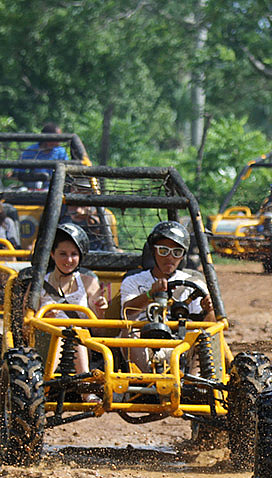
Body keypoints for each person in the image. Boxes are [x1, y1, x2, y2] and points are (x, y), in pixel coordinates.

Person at [119, 221, 214, 370]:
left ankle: (196, 387)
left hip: (183, 344)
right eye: (163, 251)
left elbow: (209, 327)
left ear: (183, 256)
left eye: (176, 252)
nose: (170, 258)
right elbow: (127, 311)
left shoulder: (194, 283)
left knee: (204, 338)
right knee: (129, 333)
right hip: (143, 341)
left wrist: (209, 311)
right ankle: (145, 384)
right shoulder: (134, 281)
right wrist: (150, 294)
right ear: (153, 251)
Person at [38, 222, 108, 387]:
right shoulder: (38, 283)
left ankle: (83, 388)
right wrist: (43, 319)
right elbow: (24, 326)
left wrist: (100, 311)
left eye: (73, 254)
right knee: (63, 334)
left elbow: (100, 330)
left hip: (80, 340)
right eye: (63, 254)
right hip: (44, 340)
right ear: (52, 254)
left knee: (74, 333)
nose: (68, 260)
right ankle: (44, 385)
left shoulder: (89, 282)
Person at [15, 123, 69, 188]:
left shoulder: (61, 152)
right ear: (47, 138)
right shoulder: (31, 151)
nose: (59, 142)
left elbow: (67, 171)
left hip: (55, 188)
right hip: (34, 188)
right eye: (56, 139)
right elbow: (19, 171)